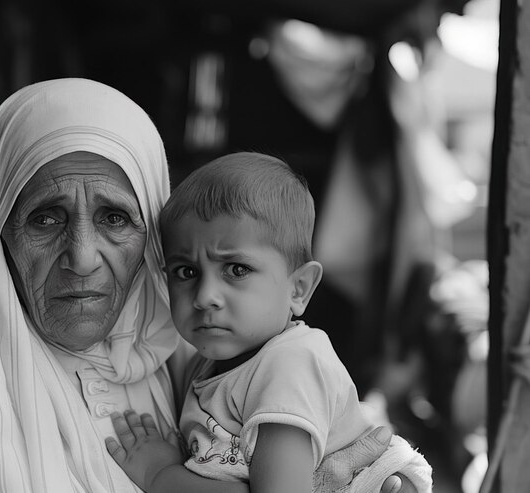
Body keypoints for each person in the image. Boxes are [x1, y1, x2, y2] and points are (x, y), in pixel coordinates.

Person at [0, 78, 416, 492]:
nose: (82, 259)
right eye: (46, 218)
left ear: (150, 238)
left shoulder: (177, 344)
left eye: (114, 219)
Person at [105, 152, 433, 492]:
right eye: (185, 272)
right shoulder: (218, 363)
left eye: (236, 270)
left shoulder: (290, 366)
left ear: (299, 288)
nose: (204, 296)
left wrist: (161, 475)